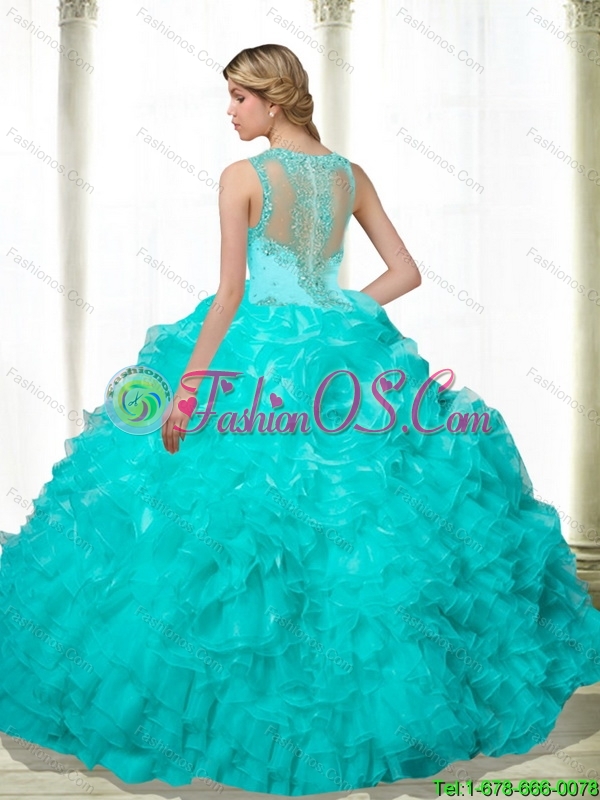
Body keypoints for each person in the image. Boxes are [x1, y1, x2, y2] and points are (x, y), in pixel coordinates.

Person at [1, 42, 599, 797]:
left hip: (254, 355)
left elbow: (230, 295)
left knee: (230, 522)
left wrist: (188, 391)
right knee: (356, 518)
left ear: (273, 101)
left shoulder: (242, 177)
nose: (230, 112)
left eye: (238, 98)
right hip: (339, 360)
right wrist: (335, 316)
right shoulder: (349, 175)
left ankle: (226, 702)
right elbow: (406, 272)